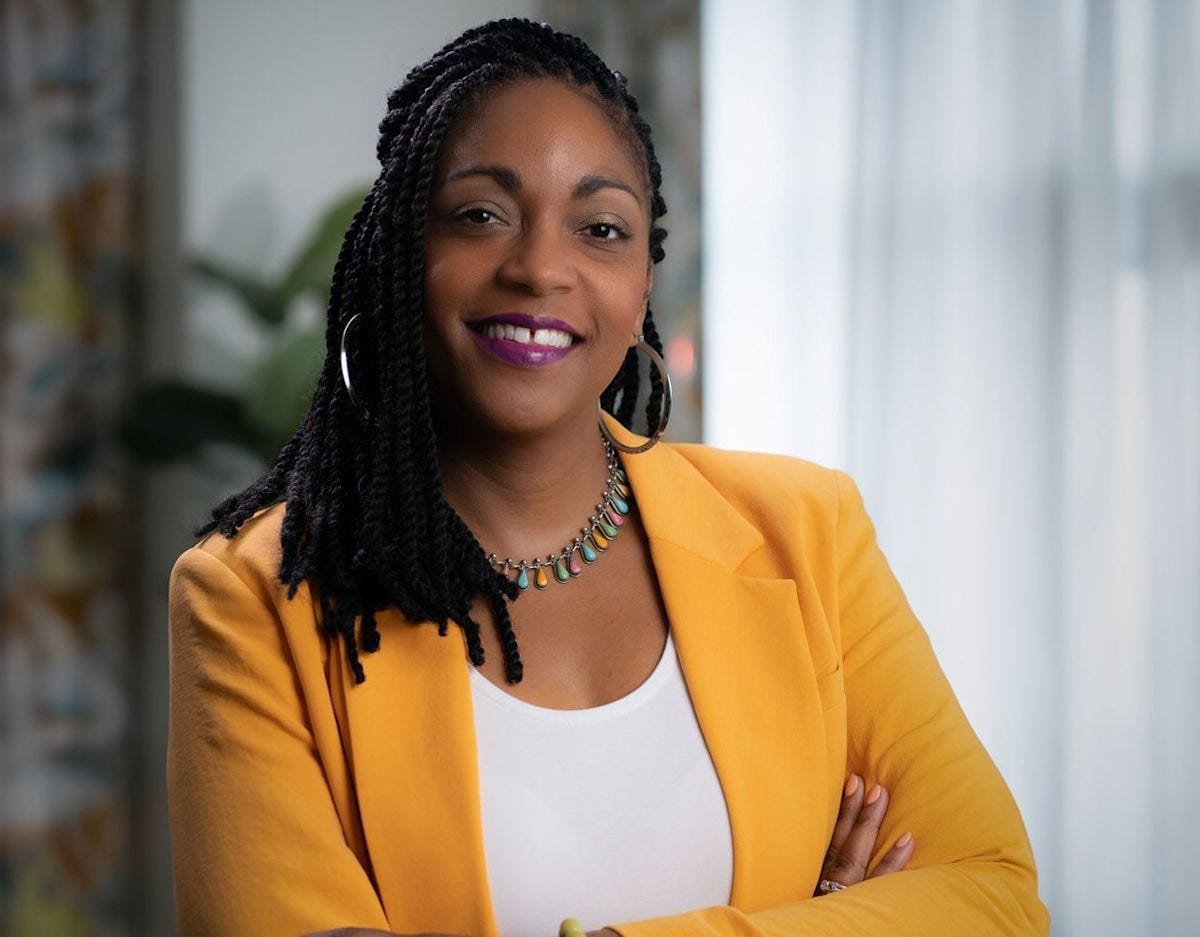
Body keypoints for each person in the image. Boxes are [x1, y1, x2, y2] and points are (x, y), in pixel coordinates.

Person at [166, 18, 1049, 937]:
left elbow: (994, 894)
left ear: (641, 291)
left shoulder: (809, 533)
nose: (541, 267)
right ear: (398, 256)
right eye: (481, 214)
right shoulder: (252, 599)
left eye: (600, 228)